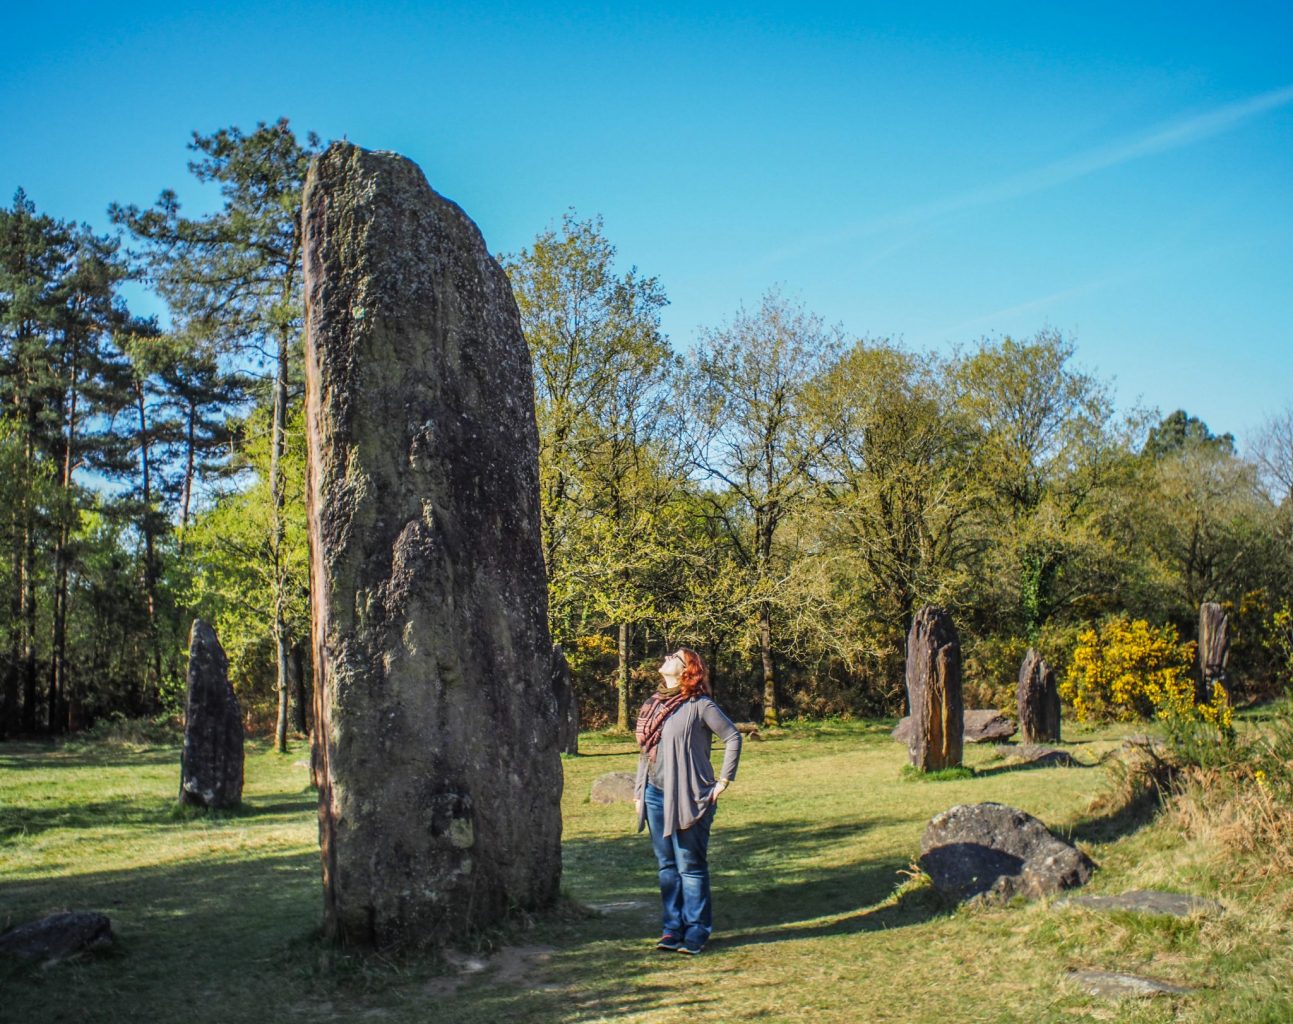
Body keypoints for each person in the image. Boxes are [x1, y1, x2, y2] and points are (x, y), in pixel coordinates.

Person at [634, 647, 742, 955]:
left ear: (686, 670)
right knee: (666, 865)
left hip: (690, 796)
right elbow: (647, 751)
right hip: (655, 794)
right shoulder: (653, 704)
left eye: (674, 657)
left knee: (690, 865)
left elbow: (733, 737)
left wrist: (723, 781)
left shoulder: (699, 705)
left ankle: (697, 929)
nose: (666, 657)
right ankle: (672, 929)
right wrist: (638, 791)